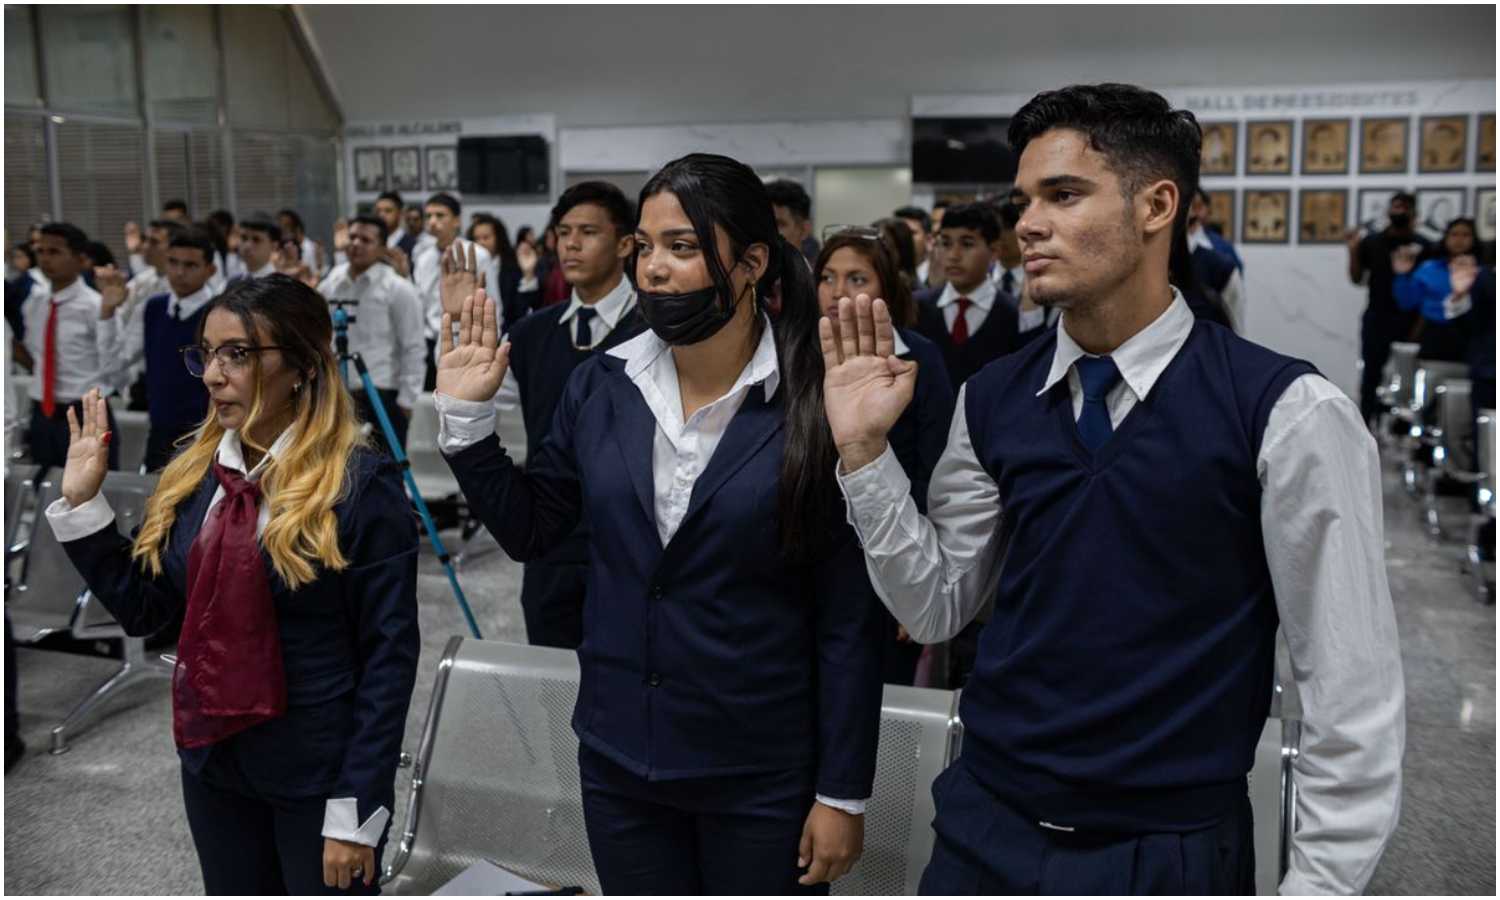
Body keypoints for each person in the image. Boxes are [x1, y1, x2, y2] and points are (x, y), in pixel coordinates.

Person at [822, 83, 1404, 895]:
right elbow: (935, 606)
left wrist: (1320, 885)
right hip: (985, 829)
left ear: (1157, 204)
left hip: (1166, 848)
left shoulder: (1286, 412)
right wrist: (864, 455)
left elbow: (1350, 694)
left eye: (1063, 195)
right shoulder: (991, 398)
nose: (1027, 223)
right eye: (1024, 200)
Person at [436, 153, 883, 894]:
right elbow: (537, 531)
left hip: (761, 766)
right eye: (644, 247)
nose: (654, 270)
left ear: (751, 262)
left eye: (681, 247)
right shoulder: (602, 384)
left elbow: (847, 620)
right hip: (621, 757)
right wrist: (470, 424)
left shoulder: (815, 399)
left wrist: (842, 792)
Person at [45, 275, 420, 894]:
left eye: (237, 355)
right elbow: (151, 612)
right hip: (215, 760)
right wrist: (86, 507)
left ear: (300, 364)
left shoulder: (357, 486)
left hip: (316, 773)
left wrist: (357, 815)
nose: (214, 374)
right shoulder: (199, 475)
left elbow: (389, 658)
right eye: (208, 354)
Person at [442, 182, 645, 651]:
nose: (570, 243)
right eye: (563, 232)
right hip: (551, 536)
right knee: (553, 685)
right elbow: (477, 398)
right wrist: (456, 322)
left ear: (625, 244)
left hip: (631, 541)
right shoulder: (534, 331)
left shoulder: (655, 331)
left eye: (588, 232)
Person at [813, 229, 955, 686]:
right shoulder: (797, 354)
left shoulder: (921, 358)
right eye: (828, 278)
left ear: (885, 290)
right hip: (813, 552)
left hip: (886, 547)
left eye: (856, 279)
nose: (838, 293)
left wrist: (913, 586)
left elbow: (934, 470)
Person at [96, 227, 219, 471]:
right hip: (160, 433)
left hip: (208, 436)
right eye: (173, 262)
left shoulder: (221, 311)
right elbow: (114, 363)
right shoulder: (152, 308)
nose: (180, 272)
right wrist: (107, 312)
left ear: (210, 270)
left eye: (191, 265)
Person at [318, 216, 425, 456]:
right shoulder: (331, 283)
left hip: (382, 391)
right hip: (338, 391)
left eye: (366, 239)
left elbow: (414, 346)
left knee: (387, 469)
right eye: (353, 237)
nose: (356, 244)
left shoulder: (398, 288)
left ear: (382, 248)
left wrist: (407, 400)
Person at [22, 223, 118, 470]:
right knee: (43, 488)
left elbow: (113, 361)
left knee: (89, 493)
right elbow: (34, 352)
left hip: (84, 410)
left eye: (54, 252)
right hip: (42, 410)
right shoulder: (35, 303)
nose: (44, 259)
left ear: (80, 259)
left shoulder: (96, 305)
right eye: (40, 251)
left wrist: (109, 314)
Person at [911, 202, 1020, 391]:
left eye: (967, 244)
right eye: (945, 243)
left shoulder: (1014, 314)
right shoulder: (916, 306)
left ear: (994, 251)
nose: (953, 255)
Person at [1349, 191, 1432, 426]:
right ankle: (1365, 426)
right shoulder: (1373, 242)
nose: (1399, 211)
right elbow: (1357, 278)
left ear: (1414, 213)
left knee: (1409, 381)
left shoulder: (1424, 246)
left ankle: (1408, 431)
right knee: (1370, 376)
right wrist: (1353, 250)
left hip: (1411, 320)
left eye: (1404, 207)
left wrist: (1419, 328)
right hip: (1377, 316)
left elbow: (1428, 291)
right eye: (1395, 206)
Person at [412, 193, 494, 387]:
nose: (432, 222)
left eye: (440, 216)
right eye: (429, 216)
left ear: (456, 220)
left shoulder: (477, 255)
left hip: (466, 338)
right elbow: (419, 302)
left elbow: (493, 302)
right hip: (430, 339)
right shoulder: (423, 259)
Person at [1393, 217, 1481, 363]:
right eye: (1454, 234)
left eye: (1465, 235)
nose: (1459, 240)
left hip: (1472, 335)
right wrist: (1402, 276)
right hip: (1434, 332)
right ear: (1445, 238)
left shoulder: (1482, 272)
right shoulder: (1429, 268)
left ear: (1474, 239)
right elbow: (1406, 303)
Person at [466, 212, 530, 328]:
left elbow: (520, 305)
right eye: (476, 239)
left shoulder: (512, 265)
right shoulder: (467, 269)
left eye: (486, 237)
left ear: (498, 237)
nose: (481, 243)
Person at [767, 179, 820, 266]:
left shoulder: (820, 277)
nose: (768, 233)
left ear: (804, 230)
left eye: (778, 225)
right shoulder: (744, 276)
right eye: (764, 224)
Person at [893, 205, 933, 287]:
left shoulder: (940, 278)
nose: (902, 237)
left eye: (911, 233)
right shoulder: (887, 274)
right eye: (898, 232)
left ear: (928, 240)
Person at [278, 209, 324, 279]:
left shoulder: (311, 248)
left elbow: (315, 275)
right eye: (281, 226)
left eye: (287, 225)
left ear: (297, 228)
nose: (283, 230)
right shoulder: (279, 250)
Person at [374, 191, 420, 260]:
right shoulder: (369, 243)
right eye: (378, 211)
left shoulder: (413, 245)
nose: (381, 215)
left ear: (400, 213)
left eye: (388, 211)